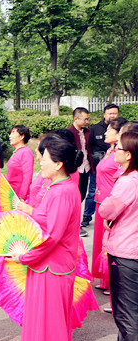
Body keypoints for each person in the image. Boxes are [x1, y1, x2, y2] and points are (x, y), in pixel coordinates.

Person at [15, 137, 83, 341]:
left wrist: (26, 257)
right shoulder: (59, 187)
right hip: (47, 265)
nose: (40, 162)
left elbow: (53, 236)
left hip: (53, 266)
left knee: (51, 328)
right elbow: (47, 221)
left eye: (44, 159)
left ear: (58, 164)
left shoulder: (63, 191)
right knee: (43, 325)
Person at [99, 130, 138, 341]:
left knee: (126, 311)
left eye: (118, 148)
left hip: (125, 251)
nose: (115, 152)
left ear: (129, 155)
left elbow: (106, 210)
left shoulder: (128, 182)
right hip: (132, 249)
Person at [92, 117, 127, 294]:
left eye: (109, 130)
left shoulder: (121, 156)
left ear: (119, 134)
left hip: (112, 204)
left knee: (109, 243)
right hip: (101, 202)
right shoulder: (109, 151)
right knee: (101, 243)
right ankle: (105, 279)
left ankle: (112, 282)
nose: (105, 133)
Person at [87, 104, 120, 227]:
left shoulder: (120, 154)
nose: (112, 116)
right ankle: (86, 216)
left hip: (111, 201)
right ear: (104, 114)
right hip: (101, 198)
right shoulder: (96, 129)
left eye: (114, 113)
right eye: (110, 113)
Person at [69, 107, 92, 224]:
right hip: (75, 170)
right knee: (73, 198)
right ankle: (72, 222)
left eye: (88, 119)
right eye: (85, 119)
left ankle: (75, 222)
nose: (87, 122)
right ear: (76, 118)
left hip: (86, 168)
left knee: (82, 195)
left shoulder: (87, 132)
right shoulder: (69, 133)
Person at [6, 125, 34, 200]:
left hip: (19, 196)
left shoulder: (26, 152)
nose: (10, 136)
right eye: (10, 133)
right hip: (12, 194)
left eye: (13, 133)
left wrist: (22, 196)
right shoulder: (16, 152)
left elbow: (27, 176)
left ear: (22, 136)